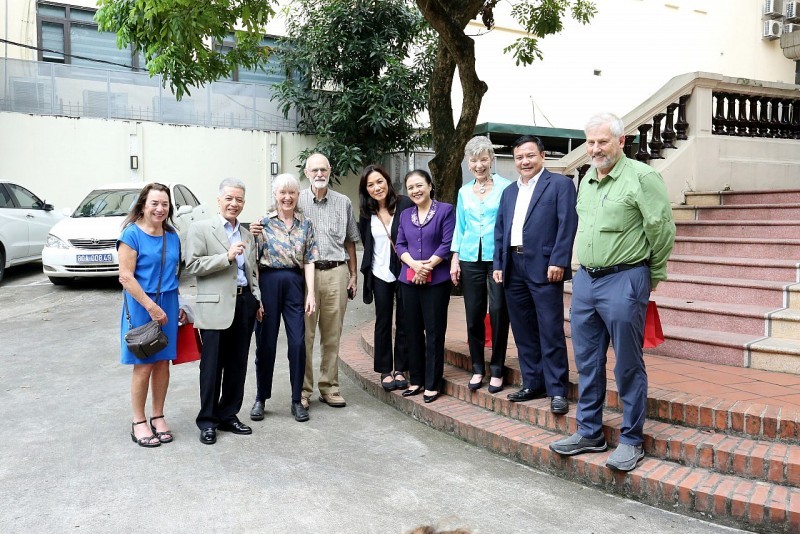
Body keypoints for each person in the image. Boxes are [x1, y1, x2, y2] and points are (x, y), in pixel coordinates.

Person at [549, 113, 675, 472]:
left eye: (602, 141)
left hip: (625, 278)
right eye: (590, 142)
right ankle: (590, 432)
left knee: (627, 364)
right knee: (587, 360)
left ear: (621, 142)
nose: (595, 148)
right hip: (586, 281)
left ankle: (632, 439)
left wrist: (651, 276)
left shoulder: (643, 177)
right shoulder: (588, 178)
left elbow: (662, 230)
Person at [493, 135, 577, 414]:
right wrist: (498, 264)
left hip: (545, 266)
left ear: (542, 156)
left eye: (529, 155)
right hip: (513, 266)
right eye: (519, 157)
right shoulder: (509, 192)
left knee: (550, 329)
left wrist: (559, 261)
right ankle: (533, 382)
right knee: (523, 329)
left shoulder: (560, 185)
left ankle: (557, 390)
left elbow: (567, 225)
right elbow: (500, 231)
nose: (524, 161)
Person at [184, 178, 263, 445]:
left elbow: (252, 271)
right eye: (229, 198)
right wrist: (226, 257)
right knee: (211, 367)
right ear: (219, 200)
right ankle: (207, 421)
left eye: (239, 199)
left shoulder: (247, 234)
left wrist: (257, 300)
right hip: (214, 307)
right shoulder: (201, 229)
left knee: (237, 365)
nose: (234, 203)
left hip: (244, 304)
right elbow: (192, 265)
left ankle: (229, 414)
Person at [118, 183, 185, 448]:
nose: (160, 208)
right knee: (143, 363)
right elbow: (126, 277)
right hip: (141, 304)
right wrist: (151, 307)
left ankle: (157, 415)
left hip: (168, 303)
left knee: (163, 362)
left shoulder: (172, 235)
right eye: (154, 203)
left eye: (165, 204)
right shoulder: (131, 234)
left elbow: (174, 273)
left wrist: (179, 304)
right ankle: (138, 421)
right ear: (143, 205)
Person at [250, 173, 318, 423]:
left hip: (294, 282)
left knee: (298, 342)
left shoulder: (306, 224)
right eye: (282, 192)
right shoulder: (262, 224)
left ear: (298, 196)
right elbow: (254, 262)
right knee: (265, 343)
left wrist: (311, 293)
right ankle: (261, 397)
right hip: (268, 282)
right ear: (275, 196)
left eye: (292, 192)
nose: (287, 197)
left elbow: (310, 259)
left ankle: (296, 399)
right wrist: (257, 296)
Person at [450, 136, 512, 394]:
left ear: (492, 160)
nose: (479, 165)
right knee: (473, 316)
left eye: (483, 159)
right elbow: (459, 226)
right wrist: (455, 258)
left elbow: (508, 224)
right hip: (469, 258)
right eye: (473, 160)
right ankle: (478, 367)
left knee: (498, 312)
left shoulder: (507, 188)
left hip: (496, 258)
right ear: (468, 162)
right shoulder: (464, 191)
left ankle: (497, 368)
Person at [299, 153, 360, 409]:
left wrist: (354, 274)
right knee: (304, 335)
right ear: (306, 172)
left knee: (332, 334)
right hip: (306, 275)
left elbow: (350, 240)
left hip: (337, 271)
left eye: (323, 169)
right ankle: (302, 390)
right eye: (314, 170)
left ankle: (330, 387)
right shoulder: (297, 199)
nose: (319, 174)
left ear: (330, 170)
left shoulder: (343, 202)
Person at [396, 169, 456, 404]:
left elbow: (447, 242)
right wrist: (413, 264)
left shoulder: (445, 210)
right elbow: (400, 244)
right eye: (410, 187)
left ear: (430, 185)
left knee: (433, 332)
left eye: (419, 185)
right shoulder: (405, 214)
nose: (415, 191)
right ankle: (416, 380)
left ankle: (432, 383)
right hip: (409, 280)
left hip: (437, 282)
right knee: (411, 331)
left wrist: (427, 267)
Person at [357, 164, 414, 391]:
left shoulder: (405, 204)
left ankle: (401, 368)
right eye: (370, 184)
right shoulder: (366, 213)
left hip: (403, 270)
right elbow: (366, 241)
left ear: (387, 181)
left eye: (379, 181)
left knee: (404, 320)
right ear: (366, 189)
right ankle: (384, 370)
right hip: (379, 272)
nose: (376, 187)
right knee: (382, 321)